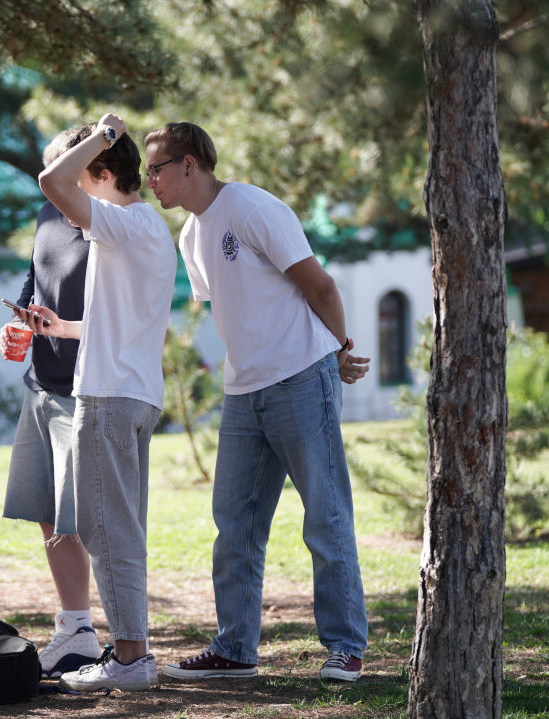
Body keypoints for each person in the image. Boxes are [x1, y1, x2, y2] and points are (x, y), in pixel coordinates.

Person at [143, 122, 371, 683]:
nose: (151, 182)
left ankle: (345, 646)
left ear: (191, 163)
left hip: (300, 377)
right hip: (244, 393)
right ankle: (235, 648)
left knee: (325, 515)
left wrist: (337, 352)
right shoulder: (191, 236)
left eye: (157, 169)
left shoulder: (252, 207)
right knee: (235, 525)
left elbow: (320, 286)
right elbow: (234, 307)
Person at [23, 112, 177, 692]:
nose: (74, 204)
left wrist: (102, 135)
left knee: (106, 528)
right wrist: (62, 328)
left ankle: (132, 659)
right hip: (136, 395)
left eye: (85, 182)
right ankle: (131, 652)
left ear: (104, 173)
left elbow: (50, 182)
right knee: (121, 528)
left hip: (109, 398)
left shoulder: (124, 223)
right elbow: (122, 321)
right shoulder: (145, 233)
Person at [0, 127, 101, 679]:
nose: (52, 186)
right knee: (47, 512)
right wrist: (17, 326)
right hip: (40, 383)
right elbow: (33, 286)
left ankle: (121, 635)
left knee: (83, 518)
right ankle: (76, 628)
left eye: (59, 173)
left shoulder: (106, 224)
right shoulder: (46, 217)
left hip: (84, 390)